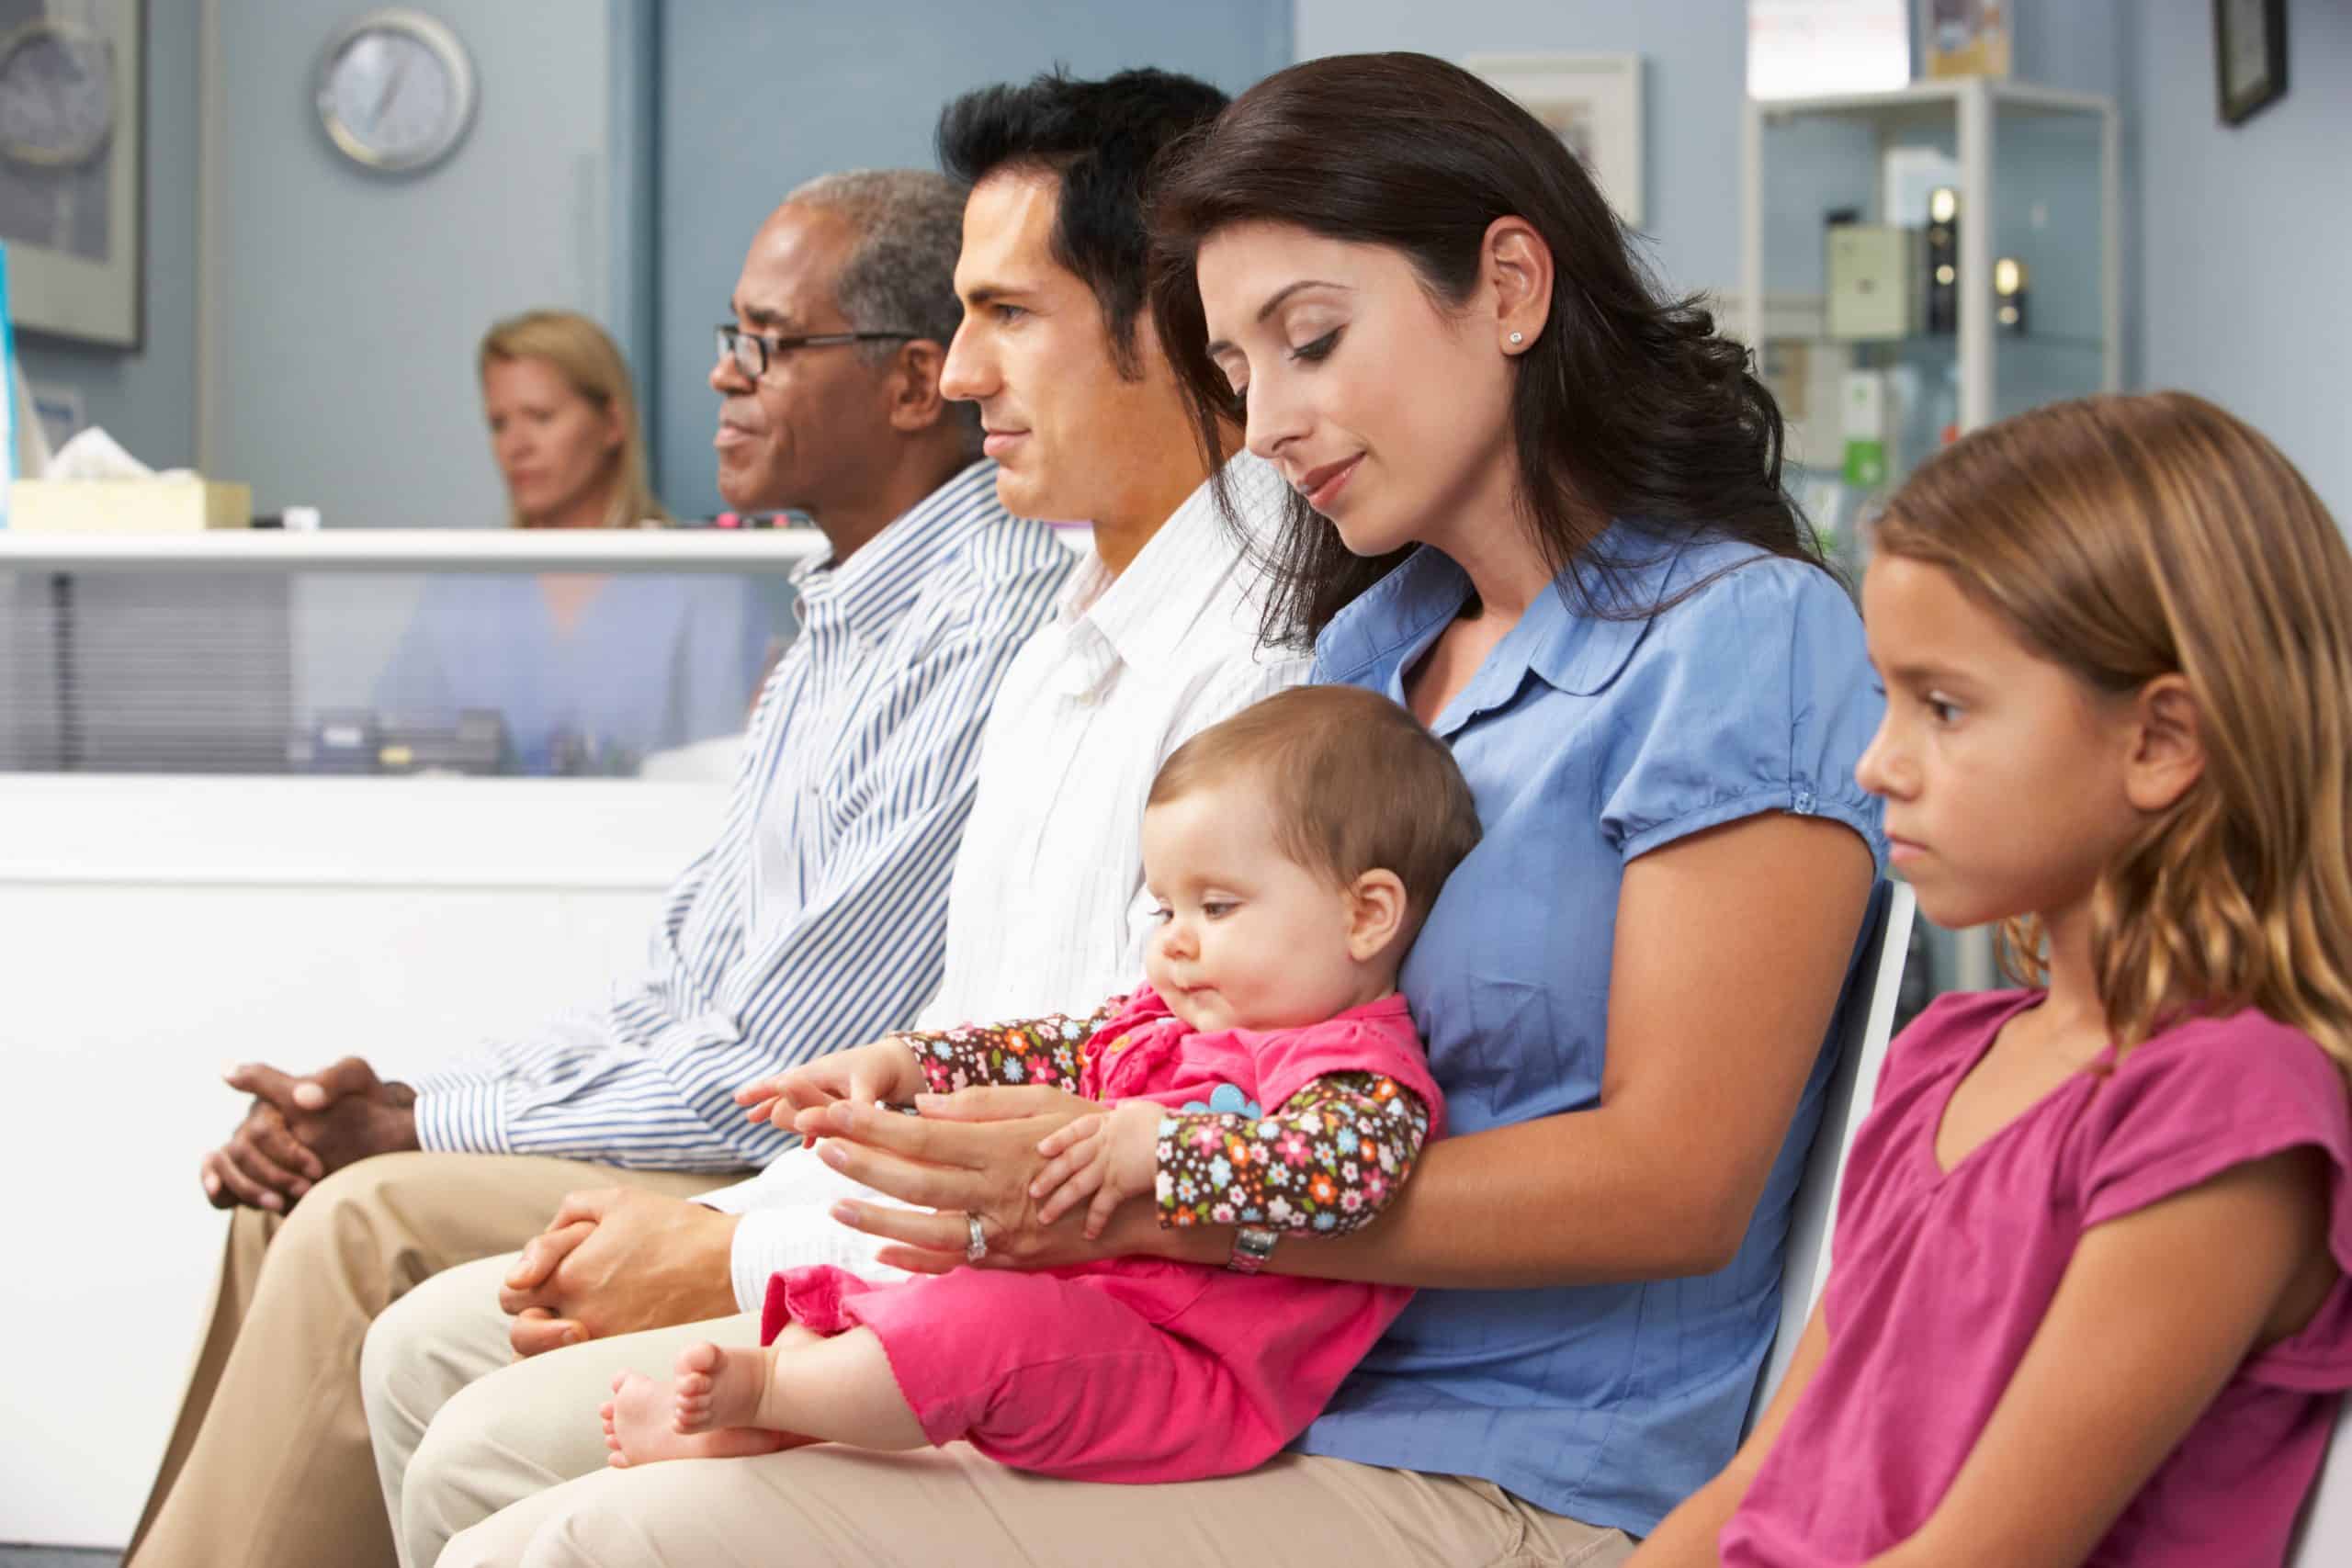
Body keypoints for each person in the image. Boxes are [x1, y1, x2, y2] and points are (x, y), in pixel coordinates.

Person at [435, 51, 1884, 1568]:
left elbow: (1674, 1185)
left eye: (1311, 342)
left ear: (1510, 287)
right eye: (1240, 369)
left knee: (582, 1541)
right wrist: (959, 1087)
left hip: (1500, 1462)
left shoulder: (1739, 640)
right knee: (513, 1477)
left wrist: (1136, 1187)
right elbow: (1188, 1018)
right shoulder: (1372, 651)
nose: (1266, 425)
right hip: (1230, 1375)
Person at [368, 68, 1306, 1567]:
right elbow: (942, 1056)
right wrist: (736, 1221)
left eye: (1010, 316)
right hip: (916, 1238)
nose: (959, 376)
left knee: (479, 1435)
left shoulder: (1264, 663)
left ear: (1168, 317)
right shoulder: (1070, 626)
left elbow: (1087, 1143)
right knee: (424, 1351)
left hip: (1070, 1314)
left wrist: (726, 1247)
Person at [127, 169, 1074, 1568]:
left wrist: (413, 1126)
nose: (721, 372)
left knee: (357, 1218)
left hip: (767, 1156)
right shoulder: (841, 615)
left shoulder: (974, 620)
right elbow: (678, 981)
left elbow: (771, 1066)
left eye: (764, 341)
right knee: (291, 1202)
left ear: (910, 383)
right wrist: (397, 1097)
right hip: (717, 1115)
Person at [1634, 392, 2352, 1567]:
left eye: (1945, 708)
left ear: (2161, 741)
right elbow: (1756, 1487)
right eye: (1887, 699)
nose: (1878, 764)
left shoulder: (2227, 1106)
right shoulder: (1945, 1055)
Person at [597, 683, 1476, 1480]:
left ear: (1365, 916)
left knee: (978, 1330)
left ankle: (768, 1400)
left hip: (1188, 1370)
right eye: (1163, 908)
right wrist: (910, 1062)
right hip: (1094, 1310)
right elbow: (1051, 1046)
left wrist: (1161, 1150)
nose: (1174, 939)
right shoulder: (1174, 1021)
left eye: (1217, 907)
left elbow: (1347, 1177)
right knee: (918, 1297)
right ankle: (783, 1405)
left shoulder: (1357, 1069)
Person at [372, 310, 774, 776]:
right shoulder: (463, 588)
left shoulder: (702, 586)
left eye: (540, 417)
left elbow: (724, 780)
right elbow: (400, 755)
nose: (515, 446)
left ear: (611, 424)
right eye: (498, 424)